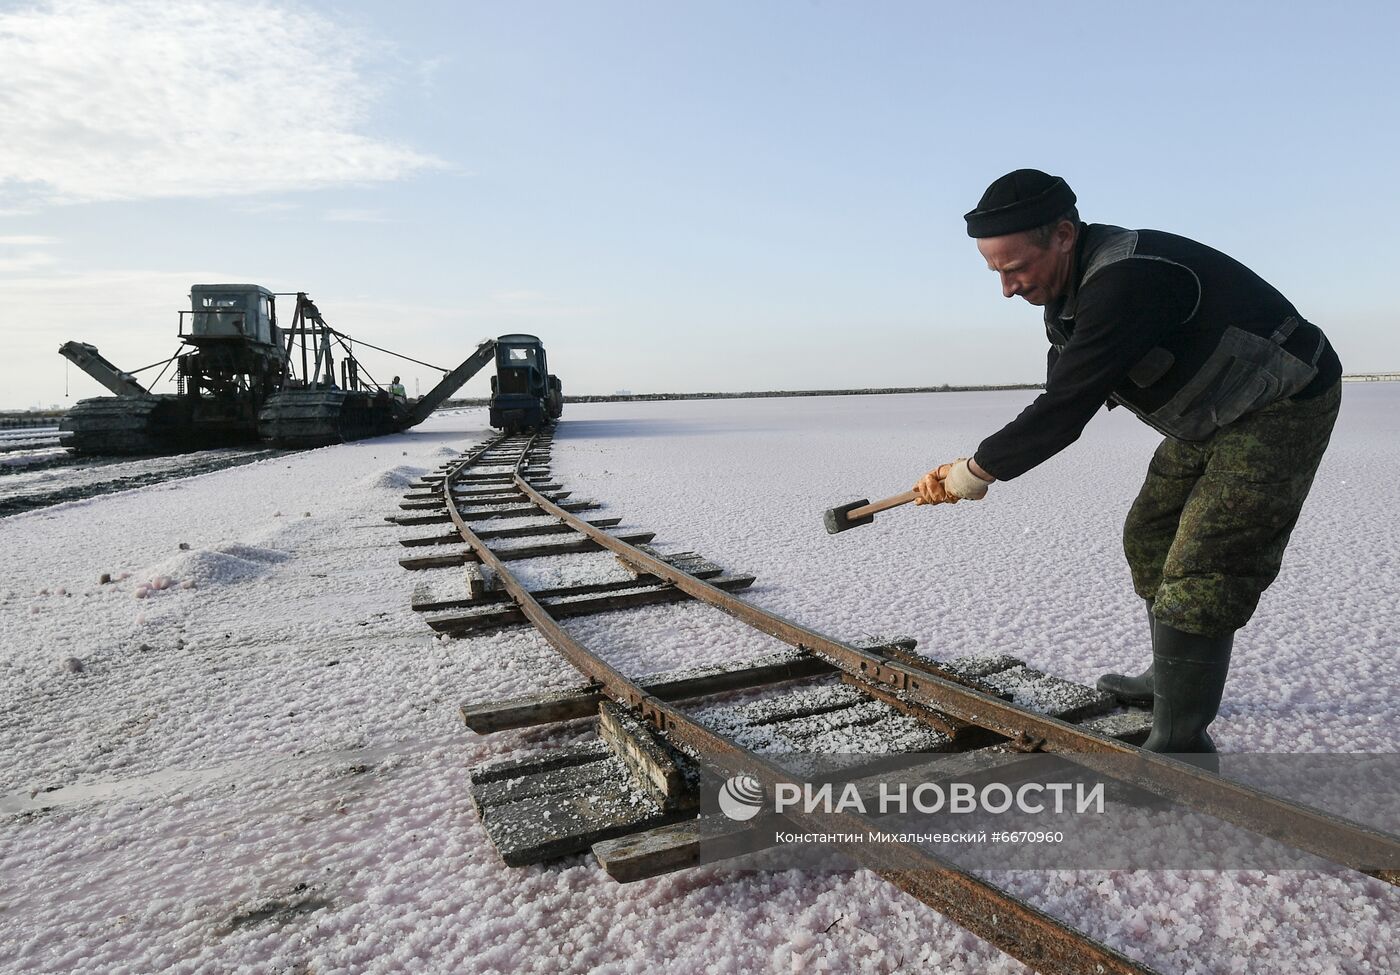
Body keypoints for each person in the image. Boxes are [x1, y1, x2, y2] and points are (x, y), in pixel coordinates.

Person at [913, 169, 1342, 755]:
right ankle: (1171, 680)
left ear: (1063, 234)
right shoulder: (1066, 298)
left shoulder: (1126, 281)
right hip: (1211, 413)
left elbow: (1066, 409)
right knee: (1150, 534)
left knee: (1206, 563)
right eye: (996, 272)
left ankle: (1181, 740)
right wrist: (974, 467)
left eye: (1015, 268)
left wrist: (975, 471)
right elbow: (1063, 391)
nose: (1007, 288)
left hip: (1280, 401)